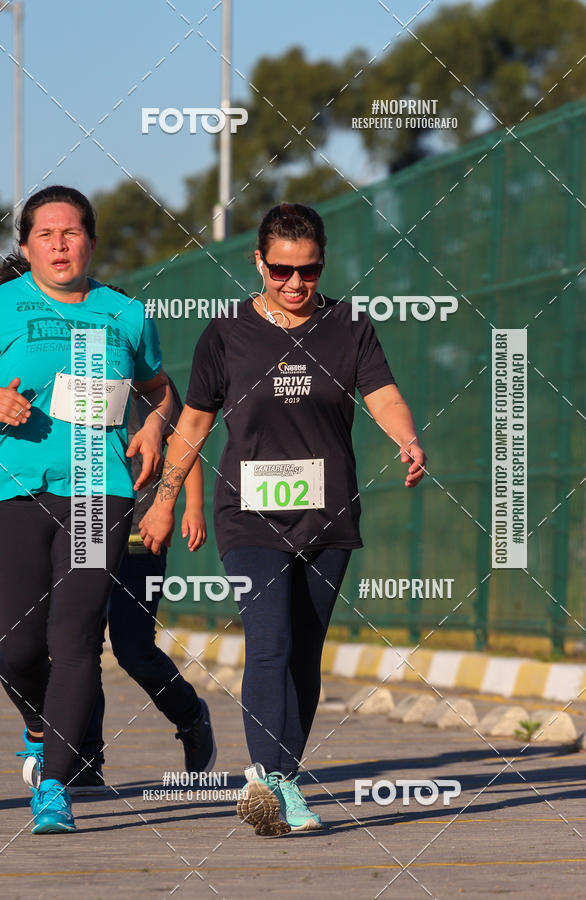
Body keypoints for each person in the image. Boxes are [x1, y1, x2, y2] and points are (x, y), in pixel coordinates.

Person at [139, 202, 426, 836]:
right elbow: (193, 423)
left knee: (305, 650)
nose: (295, 285)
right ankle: (266, 780)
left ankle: (287, 780)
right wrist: (165, 498)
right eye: (280, 271)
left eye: (309, 271)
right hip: (249, 513)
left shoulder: (349, 327)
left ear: (322, 264)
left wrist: (406, 439)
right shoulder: (226, 334)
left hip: (328, 514)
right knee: (269, 641)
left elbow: (384, 395)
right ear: (259, 263)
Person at [0, 185, 173, 834]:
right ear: (26, 247)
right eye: (45, 235)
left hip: (99, 491)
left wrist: (155, 425)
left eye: (71, 233)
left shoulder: (125, 313)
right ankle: (41, 727)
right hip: (13, 487)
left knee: (73, 638)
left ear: (92, 243)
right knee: (15, 646)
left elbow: (159, 389)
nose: (59, 245)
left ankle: (54, 787)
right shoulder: (3, 305)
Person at [73, 370, 216, 793]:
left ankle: (190, 716)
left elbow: (183, 443)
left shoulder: (153, 382)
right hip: (83, 529)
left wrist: (192, 507)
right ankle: (86, 757)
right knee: (79, 646)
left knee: (133, 650)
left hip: (141, 528)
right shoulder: (69, 369)